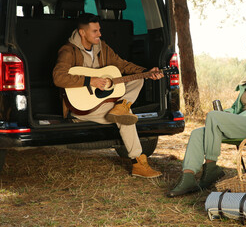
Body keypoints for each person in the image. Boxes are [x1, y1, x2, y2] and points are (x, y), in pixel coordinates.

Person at [167, 41, 246, 197]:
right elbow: (235, 108)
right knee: (198, 133)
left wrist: (231, 118)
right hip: (241, 124)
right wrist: (227, 114)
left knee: (214, 117)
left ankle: (211, 166)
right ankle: (188, 177)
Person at [53, 13, 164, 178]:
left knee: (138, 80)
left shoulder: (102, 48)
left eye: (99, 30)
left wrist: (146, 72)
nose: (99, 34)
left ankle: (121, 106)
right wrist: (89, 81)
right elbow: (58, 77)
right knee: (125, 118)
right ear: (82, 33)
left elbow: (122, 65)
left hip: (104, 101)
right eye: (95, 31)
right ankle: (138, 163)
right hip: (80, 107)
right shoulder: (68, 51)